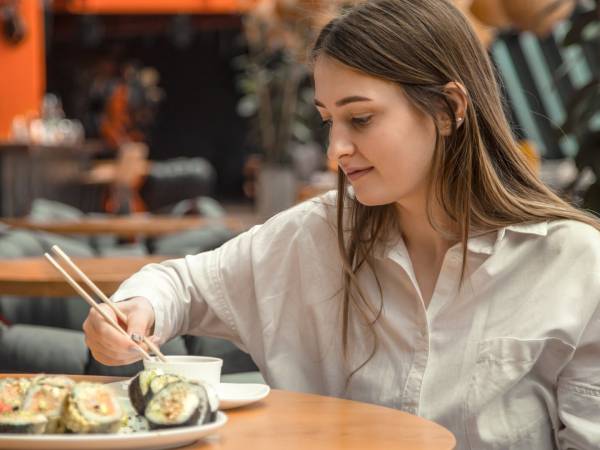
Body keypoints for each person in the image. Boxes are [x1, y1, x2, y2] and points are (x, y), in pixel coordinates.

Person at [83, 1, 600, 448]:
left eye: (361, 118)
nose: (336, 151)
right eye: (329, 119)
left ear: (448, 109)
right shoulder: (313, 237)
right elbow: (183, 284)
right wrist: (137, 308)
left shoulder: (573, 265)